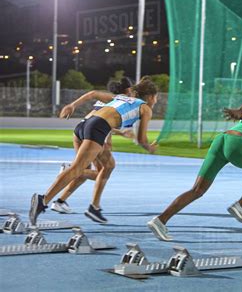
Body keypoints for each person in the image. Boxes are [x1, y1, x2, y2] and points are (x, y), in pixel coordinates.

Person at [147, 88, 242, 241]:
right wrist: (241, 109)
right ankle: (240, 205)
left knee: (197, 190)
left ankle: (160, 221)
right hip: (236, 144)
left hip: (221, 141)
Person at [29, 79, 158, 225]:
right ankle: (43, 200)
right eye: (156, 97)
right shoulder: (146, 108)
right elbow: (141, 140)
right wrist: (150, 148)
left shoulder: (122, 98)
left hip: (85, 125)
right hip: (97, 128)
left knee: (109, 165)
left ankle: (94, 207)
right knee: (78, 169)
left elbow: (93, 93)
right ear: (151, 97)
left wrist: (72, 105)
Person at [50, 77, 135, 224]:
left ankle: (60, 202)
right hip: (94, 135)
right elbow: (102, 119)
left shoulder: (108, 101)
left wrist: (121, 133)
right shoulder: (120, 101)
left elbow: (97, 119)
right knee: (100, 173)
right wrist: (123, 133)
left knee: (84, 172)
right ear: (128, 90)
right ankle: (68, 172)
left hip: (81, 130)